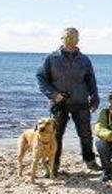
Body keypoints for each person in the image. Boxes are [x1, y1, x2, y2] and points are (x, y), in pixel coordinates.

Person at [36, 27, 100, 174]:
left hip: (81, 101)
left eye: (74, 37)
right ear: (62, 39)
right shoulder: (51, 58)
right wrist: (53, 95)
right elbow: (41, 78)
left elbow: (91, 80)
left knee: (85, 134)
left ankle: (90, 161)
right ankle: (53, 164)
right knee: (56, 135)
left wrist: (94, 97)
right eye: (68, 37)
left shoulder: (84, 60)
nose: (71, 40)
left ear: (78, 40)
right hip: (59, 103)